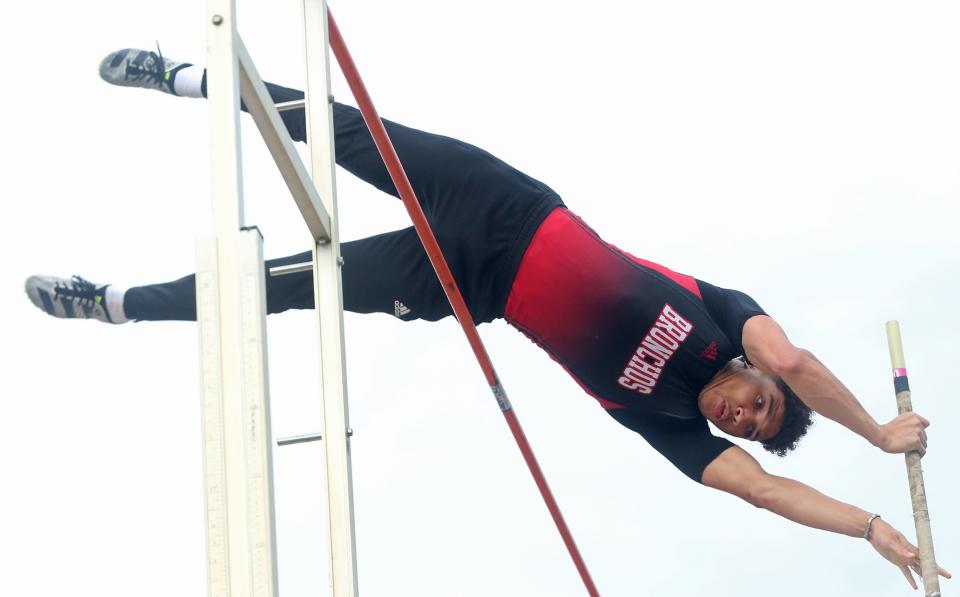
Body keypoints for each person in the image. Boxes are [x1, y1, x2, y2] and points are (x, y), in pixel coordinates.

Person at [25, 48, 949, 589]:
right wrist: (873, 430)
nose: (745, 414)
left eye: (749, 426)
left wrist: (869, 526)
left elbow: (762, 490)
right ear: (761, 380)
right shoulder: (726, 319)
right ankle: (190, 76)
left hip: (467, 287)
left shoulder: (668, 425)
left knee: (287, 281)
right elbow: (794, 352)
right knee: (342, 130)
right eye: (762, 402)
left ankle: (109, 303)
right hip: (506, 203)